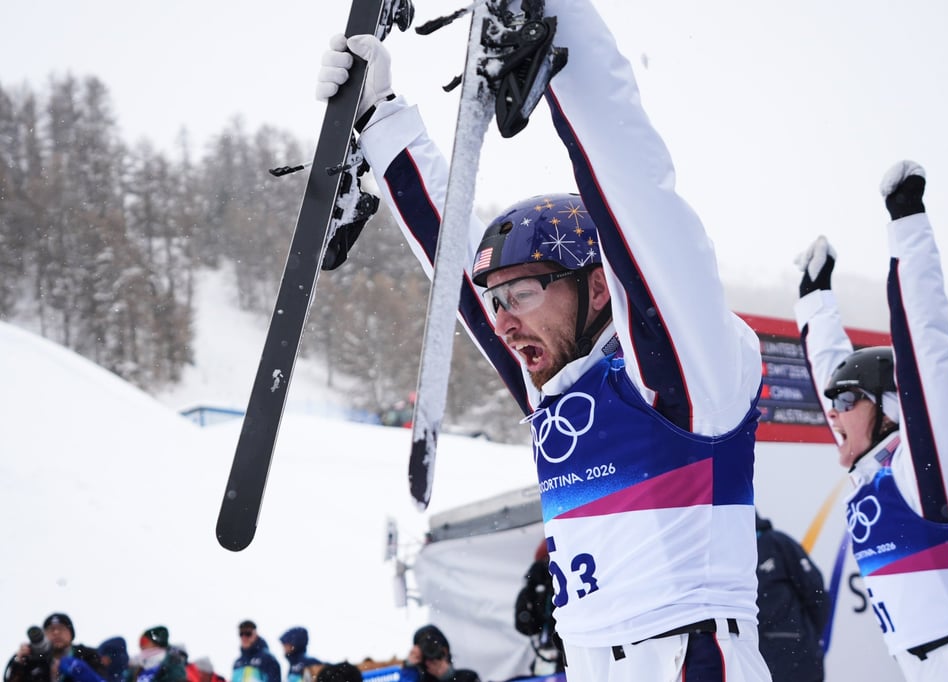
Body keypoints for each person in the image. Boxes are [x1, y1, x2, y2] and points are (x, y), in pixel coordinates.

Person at [315, 1, 770, 679]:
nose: (501, 322)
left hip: (682, 656)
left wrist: (566, 43)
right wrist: (381, 119)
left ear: (596, 290)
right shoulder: (553, 387)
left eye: (522, 295)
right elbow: (455, 275)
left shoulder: (686, 376)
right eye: (499, 303)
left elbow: (637, 198)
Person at [794, 160, 948, 680]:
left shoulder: (928, 473)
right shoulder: (869, 469)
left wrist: (908, 225)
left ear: (889, 410)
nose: (834, 413)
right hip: (925, 664)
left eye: (848, 404)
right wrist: (813, 301)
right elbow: (837, 380)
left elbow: (926, 353)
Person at [754, 512, 829, 682]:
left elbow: (816, 595)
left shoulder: (776, 543)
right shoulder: (723, 559)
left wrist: (802, 639)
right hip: (755, 666)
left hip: (797, 662)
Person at [513, 540, 563, 675]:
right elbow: (524, 624)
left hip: (564, 650)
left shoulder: (564, 585)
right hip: (547, 651)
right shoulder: (532, 589)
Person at [5, 614, 105, 682]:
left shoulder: (88, 655)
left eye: (61, 628)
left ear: (71, 633)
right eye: (51, 629)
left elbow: (104, 677)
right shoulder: (33, 660)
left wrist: (78, 671)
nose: (56, 632)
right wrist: (19, 663)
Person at [398, 627, 478, 682]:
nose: (430, 653)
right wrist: (410, 669)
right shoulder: (415, 678)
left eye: (434, 648)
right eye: (425, 648)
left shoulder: (468, 677)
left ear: (445, 652)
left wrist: (449, 677)